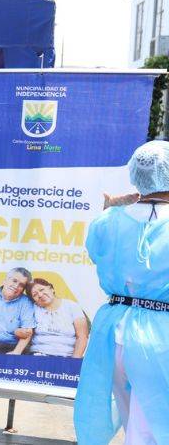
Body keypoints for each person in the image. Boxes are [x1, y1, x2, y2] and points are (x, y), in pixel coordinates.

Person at [75, 141, 169, 444]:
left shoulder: (109, 220)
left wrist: (110, 209)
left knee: (133, 421)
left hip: (111, 333)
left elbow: (97, 250)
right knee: (150, 431)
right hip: (159, 337)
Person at [27, 278, 88, 358]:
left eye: (42, 290)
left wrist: (74, 361)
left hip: (67, 357)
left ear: (51, 288)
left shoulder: (72, 306)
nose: (40, 295)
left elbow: (82, 336)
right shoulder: (32, 309)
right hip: (38, 356)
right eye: (35, 295)